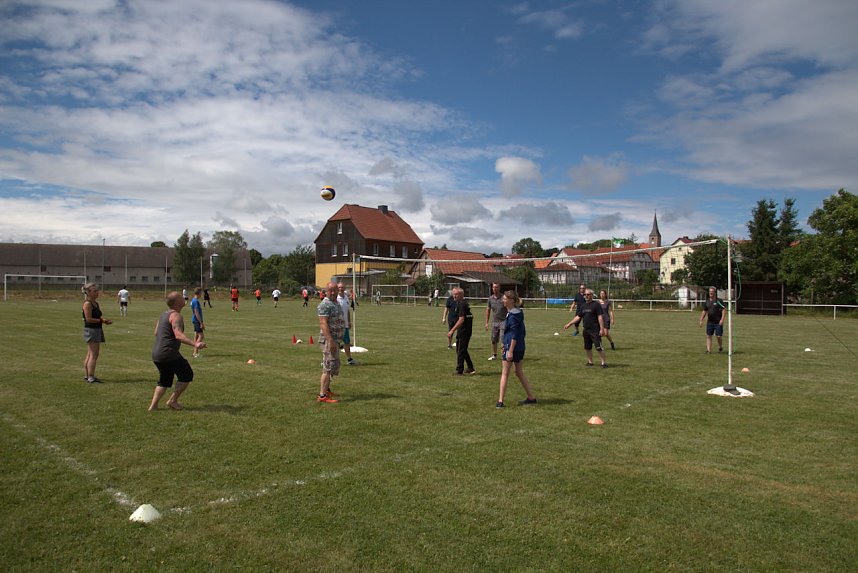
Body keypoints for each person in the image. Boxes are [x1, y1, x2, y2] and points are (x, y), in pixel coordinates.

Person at [148, 291, 206, 411]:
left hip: (157, 353)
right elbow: (178, 335)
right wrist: (195, 343)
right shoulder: (176, 316)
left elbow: (156, 332)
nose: (183, 298)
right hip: (168, 353)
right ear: (177, 303)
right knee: (187, 374)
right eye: (181, 297)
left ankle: (153, 406)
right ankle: (172, 401)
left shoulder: (163, 314)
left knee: (164, 379)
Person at [496, 291, 537, 408]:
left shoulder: (513, 316)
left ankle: (500, 401)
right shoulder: (517, 312)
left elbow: (514, 334)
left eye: (505, 299)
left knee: (505, 373)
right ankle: (531, 397)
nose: (503, 301)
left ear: (511, 301)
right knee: (519, 372)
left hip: (512, 347)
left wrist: (510, 351)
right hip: (519, 347)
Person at [563, 288, 608, 368]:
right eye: (585, 294)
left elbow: (600, 317)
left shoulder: (596, 304)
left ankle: (603, 363)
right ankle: (590, 362)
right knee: (587, 347)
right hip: (586, 330)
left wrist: (601, 329)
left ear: (591, 295)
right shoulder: (583, 306)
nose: (586, 296)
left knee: (598, 347)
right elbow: (578, 317)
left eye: (588, 294)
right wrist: (569, 324)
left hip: (595, 330)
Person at [317, 282, 345, 403]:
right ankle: (322, 395)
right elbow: (323, 323)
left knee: (333, 366)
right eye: (330, 290)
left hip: (335, 340)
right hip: (329, 341)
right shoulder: (325, 304)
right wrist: (330, 340)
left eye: (334, 290)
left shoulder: (335, 302)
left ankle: (327, 390)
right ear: (326, 291)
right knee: (327, 368)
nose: (333, 292)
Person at [82, 282, 112, 383]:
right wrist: (102, 321)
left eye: (97, 290)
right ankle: (90, 377)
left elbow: (97, 316)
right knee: (94, 354)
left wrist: (103, 320)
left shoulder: (95, 303)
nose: (97, 292)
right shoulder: (87, 304)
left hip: (96, 329)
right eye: (95, 291)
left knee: (90, 353)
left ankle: (88, 375)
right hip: (91, 330)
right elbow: (88, 319)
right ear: (88, 292)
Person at [448, 287, 475, 376]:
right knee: (462, 349)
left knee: (460, 350)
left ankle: (459, 370)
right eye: (453, 294)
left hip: (464, 331)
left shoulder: (462, 304)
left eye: (456, 294)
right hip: (464, 330)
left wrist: (452, 330)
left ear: (461, 295)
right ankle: (470, 367)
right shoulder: (461, 303)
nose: (454, 296)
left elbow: (461, 319)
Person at [337, 283, 359, 365]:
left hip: (345, 325)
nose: (340, 289)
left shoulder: (346, 297)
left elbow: (348, 311)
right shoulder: (335, 298)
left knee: (347, 342)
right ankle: (329, 360)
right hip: (337, 325)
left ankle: (349, 359)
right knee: (335, 343)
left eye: (342, 287)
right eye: (339, 287)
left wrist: (349, 321)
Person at [485, 282, 507, 361]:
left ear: (499, 288)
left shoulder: (504, 298)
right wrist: (486, 323)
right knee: (494, 339)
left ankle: (504, 355)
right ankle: (494, 355)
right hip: (494, 322)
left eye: (497, 287)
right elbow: (488, 310)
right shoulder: (490, 299)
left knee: (503, 339)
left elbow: (509, 308)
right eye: (494, 287)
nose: (495, 289)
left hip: (503, 321)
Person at [699, 287, 725, 353]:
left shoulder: (719, 301)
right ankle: (708, 350)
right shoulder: (707, 301)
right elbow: (704, 311)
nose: (711, 293)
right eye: (710, 291)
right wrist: (701, 320)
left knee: (718, 336)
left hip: (718, 322)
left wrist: (722, 319)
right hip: (710, 322)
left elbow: (724, 309)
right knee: (709, 336)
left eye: (712, 291)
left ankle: (720, 347)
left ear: (714, 292)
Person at [190, 287, 205, 358]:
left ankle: (194, 352)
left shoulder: (193, 300)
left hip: (195, 320)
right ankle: (195, 352)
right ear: (199, 293)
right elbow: (196, 312)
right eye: (201, 293)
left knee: (196, 336)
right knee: (201, 336)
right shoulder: (195, 301)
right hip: (197, 320)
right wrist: (201, 323)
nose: (202, 294)